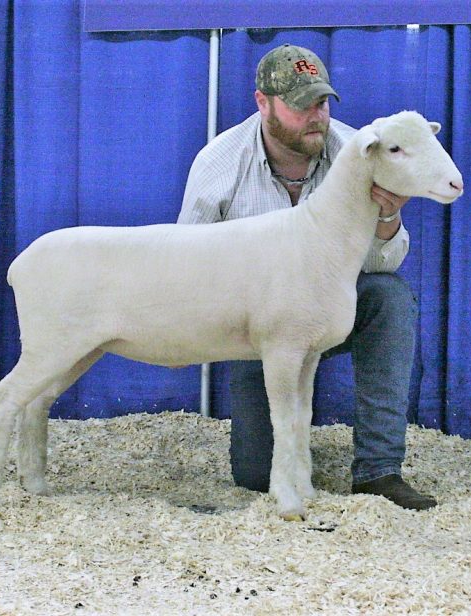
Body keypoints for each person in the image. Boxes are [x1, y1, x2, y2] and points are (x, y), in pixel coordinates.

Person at [177, 44, 436, 510]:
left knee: (389, 298)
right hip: (259, 329)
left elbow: (388, 261)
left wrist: (386, 218)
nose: (316, 115)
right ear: (263, 103)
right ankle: (282, 462)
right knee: (255, 476)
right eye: (300, 106)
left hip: (332, 308)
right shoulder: (219, 163)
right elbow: (188, 263)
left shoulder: (359, 150)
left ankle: (379, 470)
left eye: (321, 102)